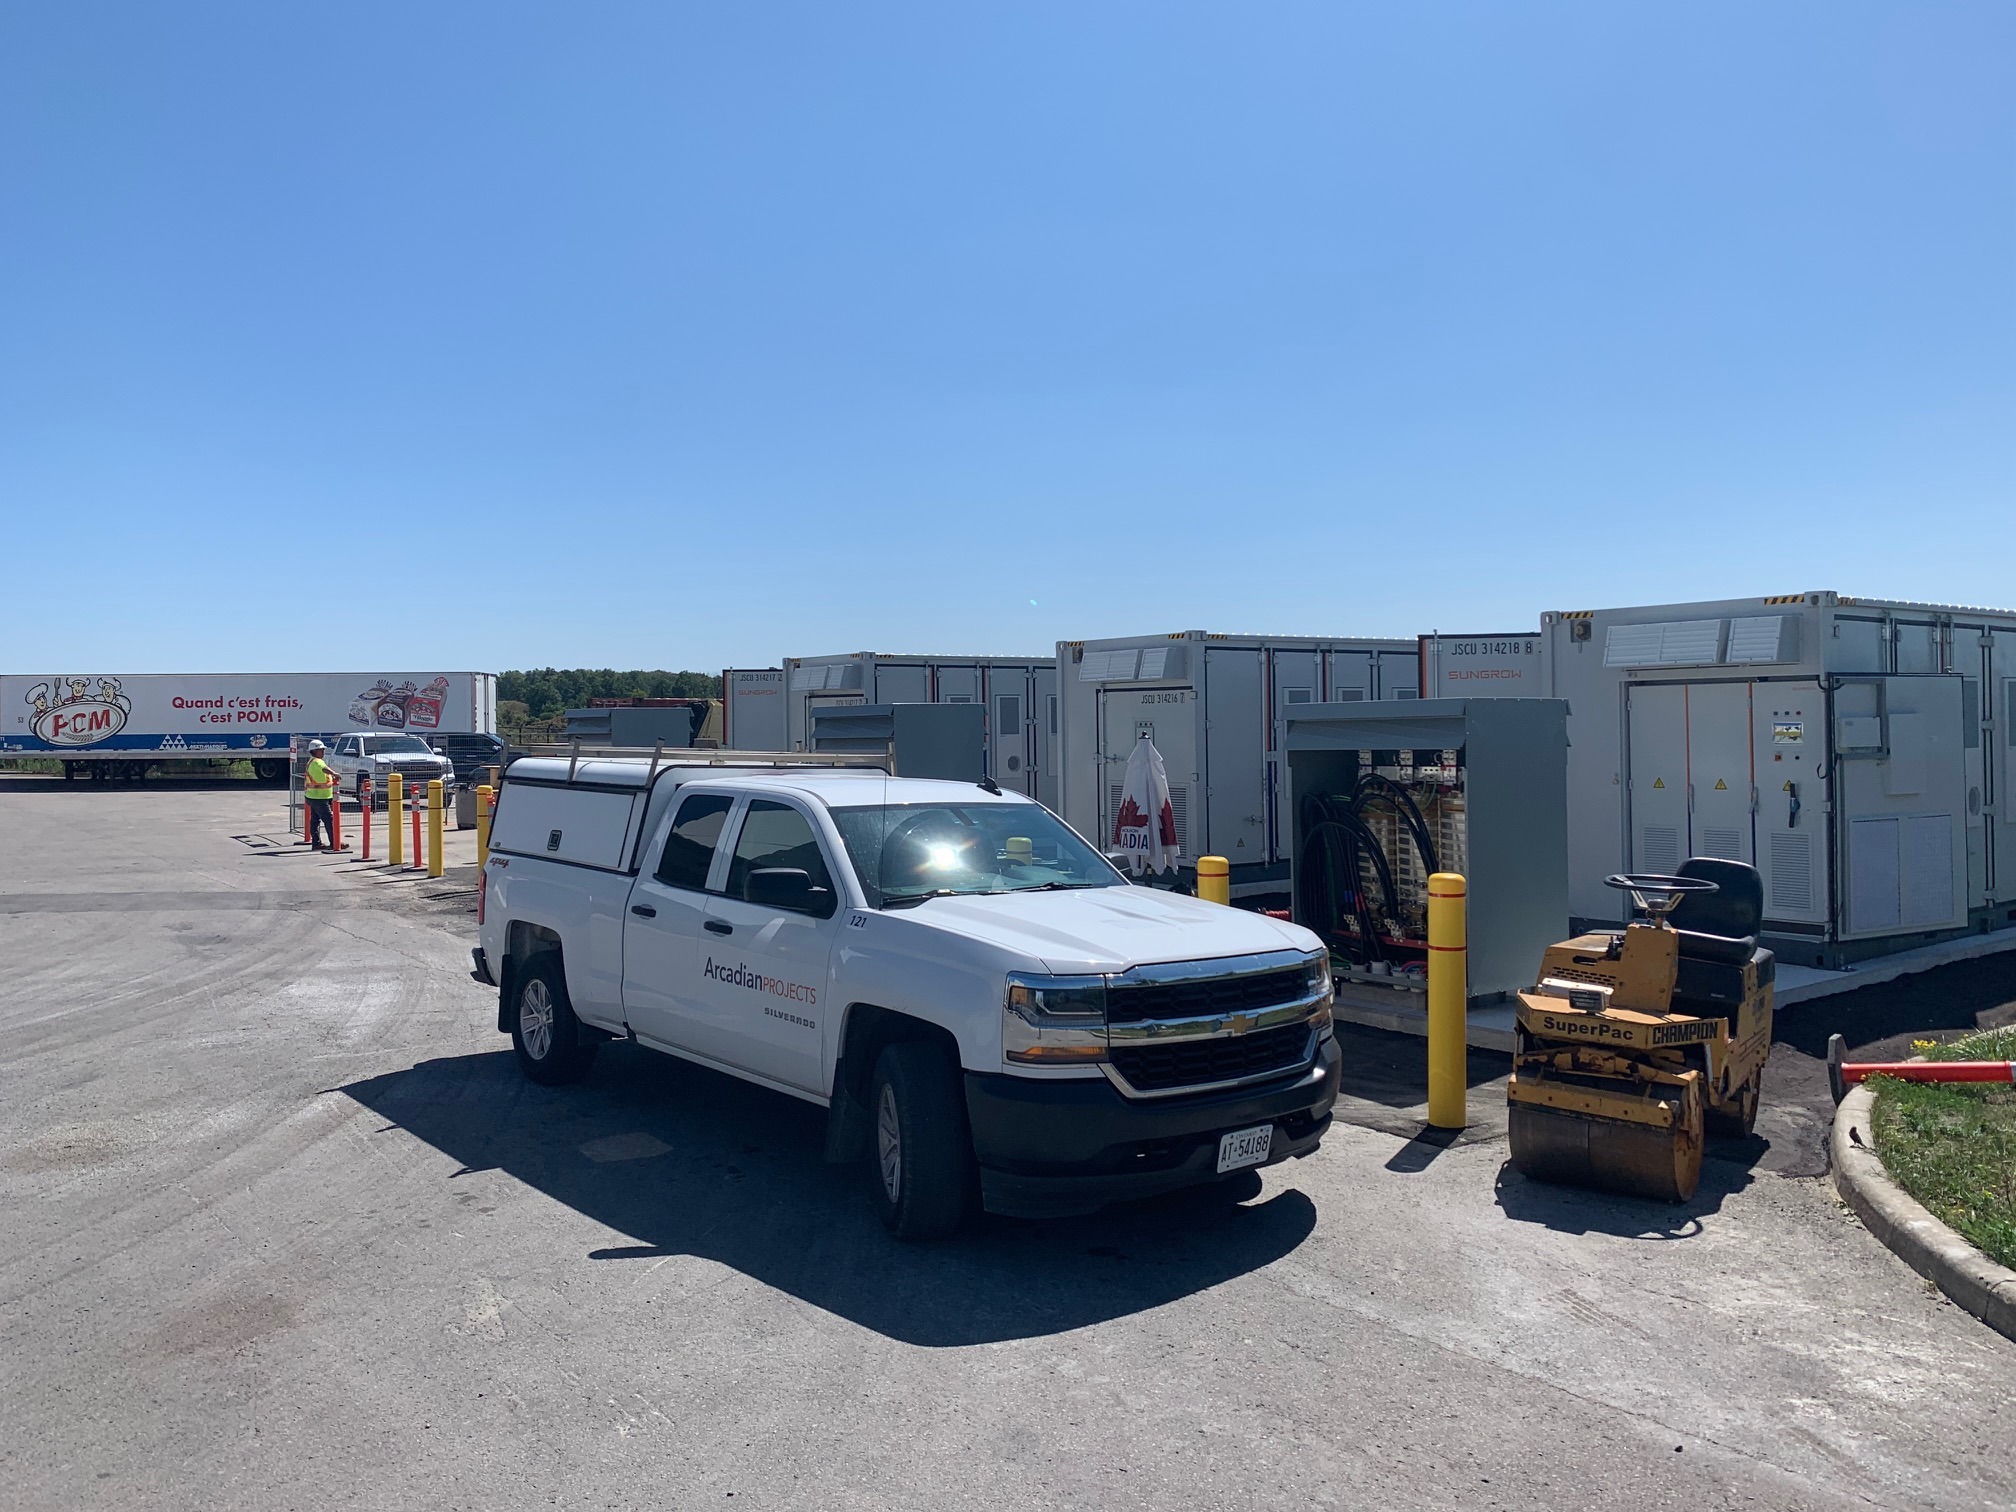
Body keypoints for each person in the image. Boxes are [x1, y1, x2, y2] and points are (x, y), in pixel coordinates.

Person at [303, 739, 338, 851]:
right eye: (322, 750)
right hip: (319, 797)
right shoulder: (317, 762)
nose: (323, 752)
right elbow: (324, 769)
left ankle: (316, 843)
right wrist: (334, 774)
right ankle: (335, 843)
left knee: (315, 820)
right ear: (316, 751)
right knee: (329, 820)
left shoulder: (311, 761)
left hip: (314, 796)